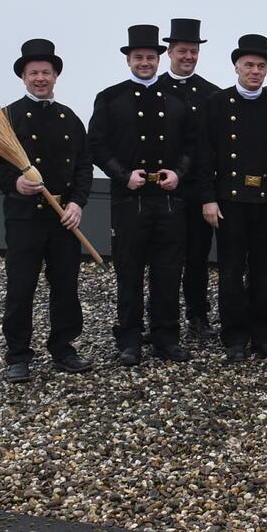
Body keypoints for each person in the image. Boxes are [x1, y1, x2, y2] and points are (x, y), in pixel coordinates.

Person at [0, 39, 94, 383]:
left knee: (66, 284)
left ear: (56, 76)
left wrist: (77, 203)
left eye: (46, 72)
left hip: (62, 218)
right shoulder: (5, 118)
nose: (40, 78)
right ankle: (17, 355)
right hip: (24, 217)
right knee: (21, 286)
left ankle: (63, 347)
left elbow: (84, 165)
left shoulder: (69, 118)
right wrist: (15, 183)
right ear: (23, 77)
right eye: (33, 73)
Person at [88, 24, 196, 366]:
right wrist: (123, 174)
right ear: (128, 60)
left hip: (168, 201)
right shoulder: (110, 98)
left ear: (159, 58)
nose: (145, 62)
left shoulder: (177, 100)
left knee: (168, 272)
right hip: (128, 199)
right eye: (139, 57)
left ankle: (166, 337)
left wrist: (178, 172)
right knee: (129, 272)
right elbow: (97, 145)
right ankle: (130, 340)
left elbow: (193, 145)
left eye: (151, 57)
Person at [201, 34, 267, 362]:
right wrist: (208, 198)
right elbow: (206, 155)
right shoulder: (217, 104)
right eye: (248, 65)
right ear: (236, 67)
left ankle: (264, 336)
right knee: (230, 271)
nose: (255, 71)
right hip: (229, 202)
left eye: (261, 66)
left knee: (264, 270)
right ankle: (234, 337)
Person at [156, 17, 221, 341]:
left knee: (197, 258)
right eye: (183, 50)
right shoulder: (154, 89)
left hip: (196, 190)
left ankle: (198, 316)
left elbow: (214, 147)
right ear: (169, 51)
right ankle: (161, 321)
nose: (188, 56)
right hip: (159, 191)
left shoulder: (211, 95)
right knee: (163, 260)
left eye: (193, 51)